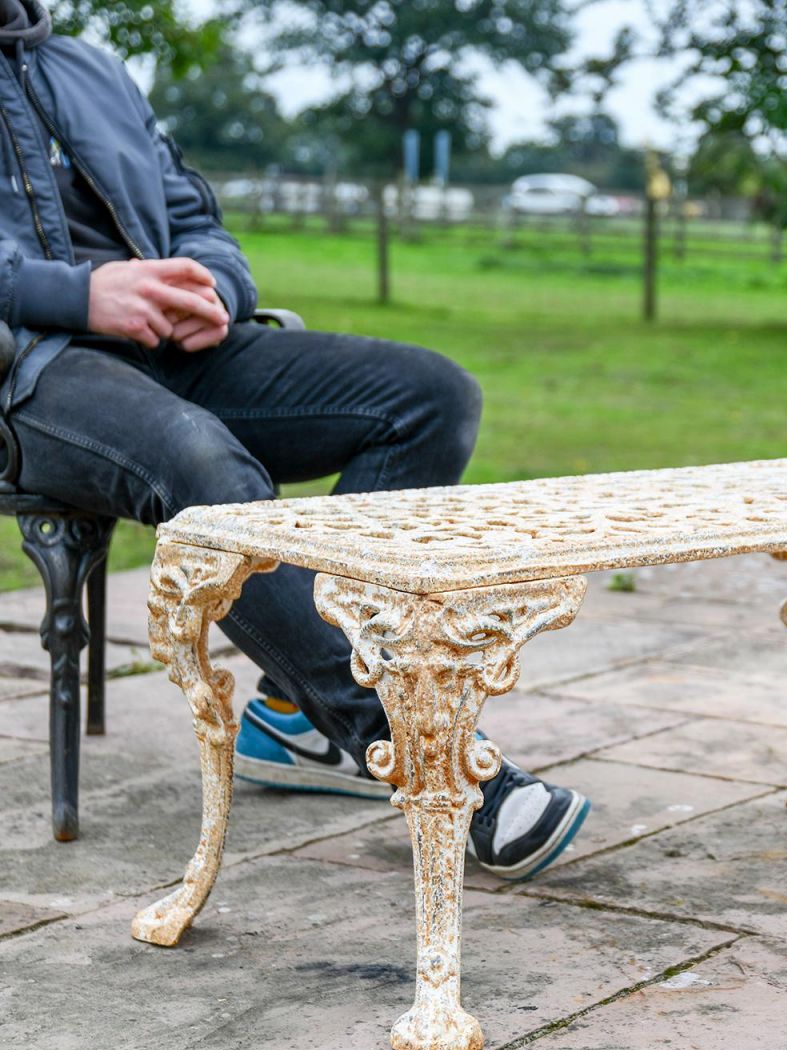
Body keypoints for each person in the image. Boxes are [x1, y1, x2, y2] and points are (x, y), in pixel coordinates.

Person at [0, 0, 589, 880]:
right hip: (32, 374)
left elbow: (190, 209)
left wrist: (217, 287)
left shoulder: (89, 66)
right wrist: (81, 297)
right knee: (196, 458)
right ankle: (424, 756)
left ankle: (291, 710)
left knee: (428, 395)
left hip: (168, 349)